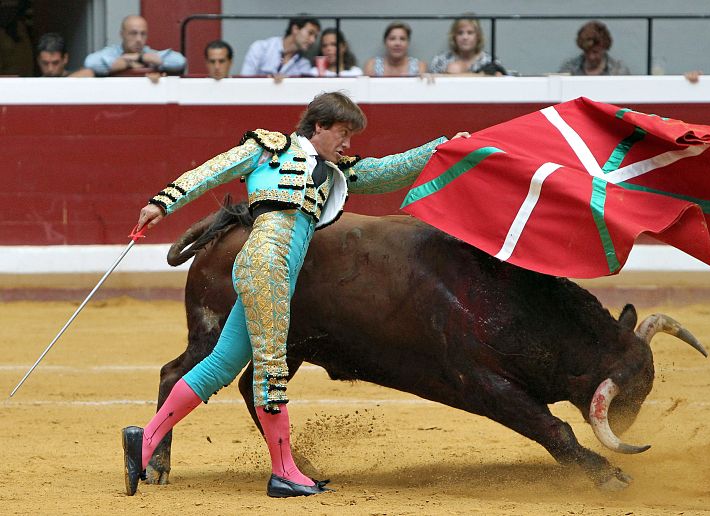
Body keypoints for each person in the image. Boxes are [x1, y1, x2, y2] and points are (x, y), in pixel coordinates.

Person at [122, 91, 469, 498]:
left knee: (220, 365)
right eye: (342, 133)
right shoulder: (270, 147)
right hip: (266, 264)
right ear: (319, 126)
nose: (347, 144)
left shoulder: (335, 170)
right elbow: (211, 172)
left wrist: (442, 148)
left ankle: (142, 443)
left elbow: (388, 170)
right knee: (271, 370)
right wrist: (160, 204)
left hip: (277, 271)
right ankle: (284, 472)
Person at [83, 15, 186, 76]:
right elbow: (90, 63)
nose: (139, 39)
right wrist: (127, 64)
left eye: (143, 34)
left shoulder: (149, 54)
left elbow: (180, 61)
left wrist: (140, 57)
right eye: (133, 33)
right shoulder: (113, 52)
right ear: (122, 34)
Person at [240, 16, 320, 77]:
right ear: (295, 29)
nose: (313, 40)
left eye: (315, 37)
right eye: (310, 33)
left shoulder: (304, 64)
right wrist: (267, 80)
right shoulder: (261, 48)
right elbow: (245, 79)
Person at [429, 17, 504, 75]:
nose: (465, 37)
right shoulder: (441, 60)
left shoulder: (490, 61)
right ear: (454, 37)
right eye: (460, 33)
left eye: (470, 33)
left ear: (478, 36)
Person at [558, 20, 630, 76]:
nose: (591, 57)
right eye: (587, 52)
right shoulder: (570, 68)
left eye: (595, 52)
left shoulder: (618, 71)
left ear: (605, 48)